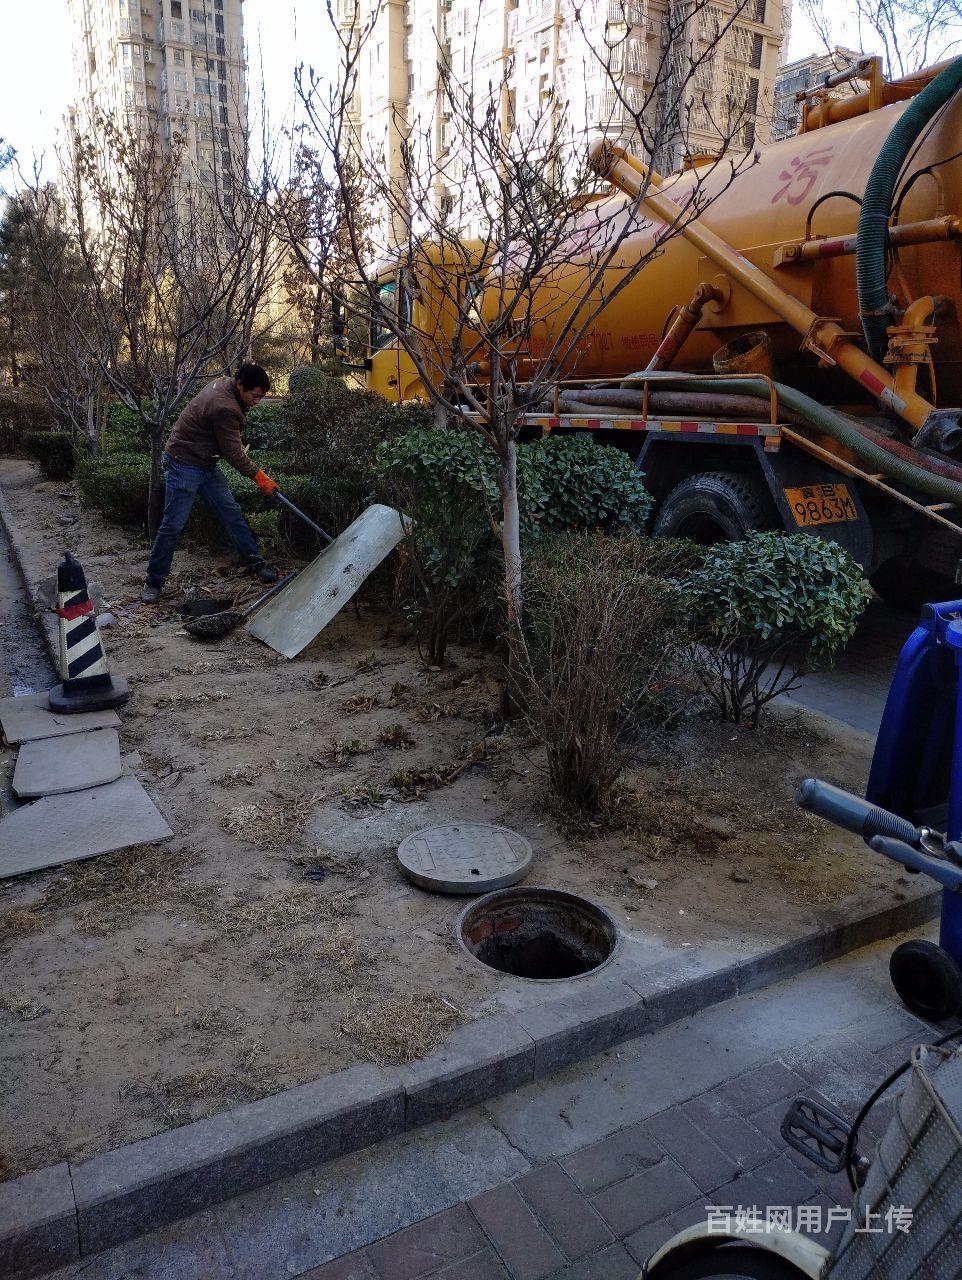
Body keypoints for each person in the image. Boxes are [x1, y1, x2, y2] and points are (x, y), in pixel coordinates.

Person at [140, 363, 281, 604]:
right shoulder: (225, 407)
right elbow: (234, 454)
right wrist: (260, 477)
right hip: (184, 463)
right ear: (240, 385)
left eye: (261, 397)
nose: (257, 401)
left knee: (232, 513)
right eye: (255, 396)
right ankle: (154, 581)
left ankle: (253, 560)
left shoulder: (225, 383)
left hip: (205, 463)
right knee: (173, 524)